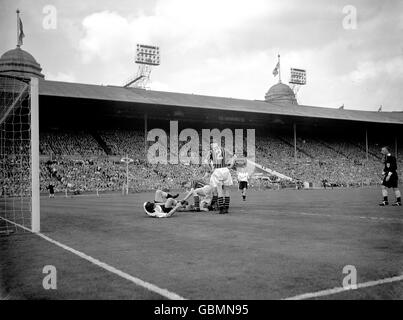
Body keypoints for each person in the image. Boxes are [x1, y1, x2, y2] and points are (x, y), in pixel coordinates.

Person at [206, 142, 236, 214]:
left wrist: (211, 170)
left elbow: (206, 162)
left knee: (219, 190)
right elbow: (234, 156)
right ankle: (226, 208)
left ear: (212, 146)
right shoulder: (224, 149)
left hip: (217, 170)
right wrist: (231, 165)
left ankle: (221, 209)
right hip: (225, 170)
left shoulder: (211, 151)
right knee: (227, 191)